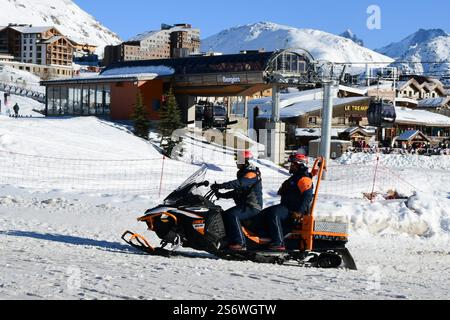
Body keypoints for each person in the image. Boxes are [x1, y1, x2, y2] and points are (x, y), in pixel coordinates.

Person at [260, 154, 315, 251]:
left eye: (293, 164)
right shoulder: (295, 178)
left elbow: (307, 197)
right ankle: (264, 238)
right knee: (264, 213)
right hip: (286, 207)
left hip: (292, 211)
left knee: (274, 213)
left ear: (299, 165)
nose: (291, 166)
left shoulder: (304, 179)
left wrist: (300, 212)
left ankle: (278, 243)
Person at [212, 150, 263, 251]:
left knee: (232, 215)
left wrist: (222, 185)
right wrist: (221, 195)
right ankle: (228, 240)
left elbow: (239, 183)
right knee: (223, 215)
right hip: (244, 206)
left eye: (238, 159)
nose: (236, 162)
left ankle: (240, 243)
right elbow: (237, 192)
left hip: (252, 207)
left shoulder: (251, 173)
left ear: (245, 161)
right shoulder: (243, 173)